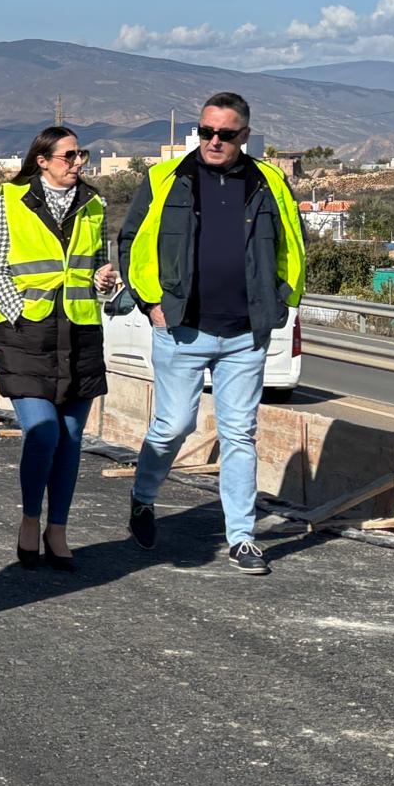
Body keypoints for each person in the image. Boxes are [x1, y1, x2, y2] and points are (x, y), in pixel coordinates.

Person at [118, 92, 306, 575]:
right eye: (206, 131)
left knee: (240, 434)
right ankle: (143, 497)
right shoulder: (165, 178)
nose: (214, 141)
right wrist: (151, 303)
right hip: (181, 329)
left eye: (225, 133)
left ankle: (242, 538)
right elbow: (131, 242)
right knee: (174, 425)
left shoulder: (269, 182)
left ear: (245, 135)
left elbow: (292, 244)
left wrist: (279, 300)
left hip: (244, 334)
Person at [0, 127, 120, 572]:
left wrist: (103, 281)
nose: (78, 162)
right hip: (29, 337)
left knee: (72, 438)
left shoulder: (95, 203)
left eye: (81, 154)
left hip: (80, 335)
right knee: (43, 432)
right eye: (69, 155)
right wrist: (19, 313)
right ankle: (30, 519)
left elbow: (96, 268)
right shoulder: (11, 199)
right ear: (42, 160)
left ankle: (57, 529)